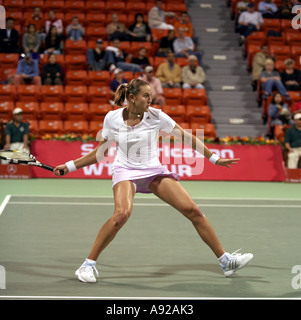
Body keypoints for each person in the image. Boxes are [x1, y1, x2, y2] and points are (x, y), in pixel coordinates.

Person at [53, 78, 253, 283]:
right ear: (132, 98)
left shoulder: (157, 116)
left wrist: (214, 158)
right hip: (125, 170)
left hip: (153, 170)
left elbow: (186, 136)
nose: (151, 99)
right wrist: (69, 166)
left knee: (193, 211)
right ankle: (88, 265)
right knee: (122, 214)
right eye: (146, 95)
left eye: (150, 95)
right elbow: (99, 154)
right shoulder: (112, 118)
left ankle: (225, 260)